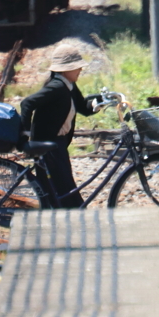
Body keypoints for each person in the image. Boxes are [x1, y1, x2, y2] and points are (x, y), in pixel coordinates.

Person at [18, 44, 105, 208]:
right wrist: (25, 136)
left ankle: (66, 219)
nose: (80, 69)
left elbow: (83, 108)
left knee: (62, 188)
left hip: (58, 144)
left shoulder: (69, 86)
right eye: (76, 67)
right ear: (65, 69)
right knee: (62, 189)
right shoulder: (57, 86)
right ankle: (70, 219)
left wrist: (99, 103)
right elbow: (27, 103)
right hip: (48, 145)